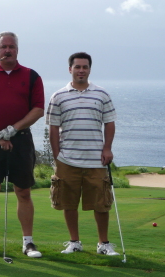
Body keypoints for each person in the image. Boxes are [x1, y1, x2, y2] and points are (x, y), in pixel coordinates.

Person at [0, 31, 45, 258]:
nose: (7, 50)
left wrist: (14, 129)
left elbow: (38, 110)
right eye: (3, 47)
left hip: (21, 140)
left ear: (17, 50)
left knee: (23, 191)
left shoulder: (32, 76)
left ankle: (28, 243)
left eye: (11, 46)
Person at [46, 52, 120, 256]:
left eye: (85, 67)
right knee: (68, 202)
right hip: (67, 159)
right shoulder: (58, 96)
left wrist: (107, 148)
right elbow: (53, 128)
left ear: (89, 69)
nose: (81, 70)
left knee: (101, 204)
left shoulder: (101, 94)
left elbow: (110, 123)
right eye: (77, 67)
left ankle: (103, 244)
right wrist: (56, 155)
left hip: (96, 159)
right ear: (70, 69)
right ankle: (74, 242)